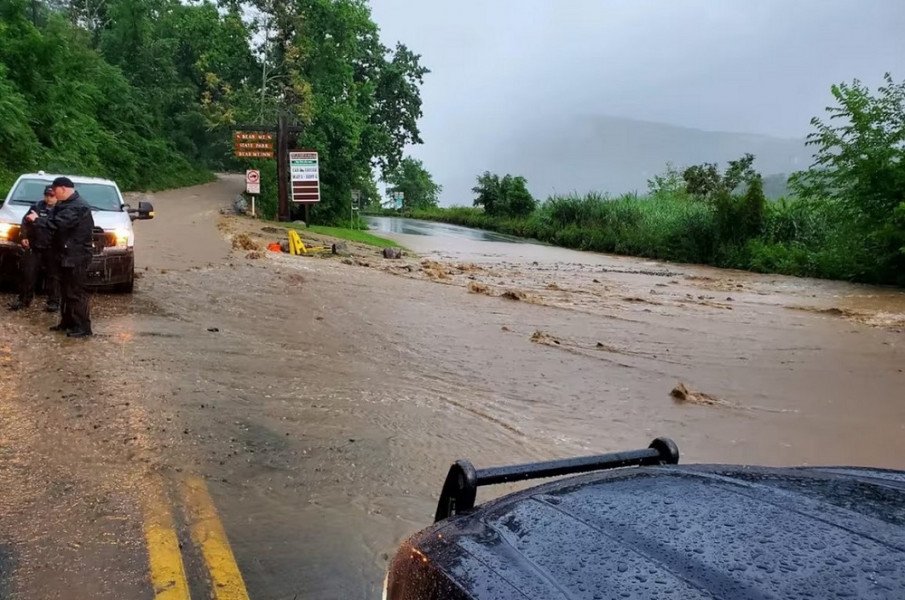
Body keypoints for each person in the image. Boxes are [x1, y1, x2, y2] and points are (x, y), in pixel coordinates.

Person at [27, 177, 94, 337]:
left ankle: (83, 328)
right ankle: (67, 322)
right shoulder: (65, 204)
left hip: (76, 256)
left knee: (75, 293)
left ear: (63, 188)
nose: (53, 194)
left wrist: (38, 220)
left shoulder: (78, 206)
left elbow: (58, 224)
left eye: (55, 191)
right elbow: (52, 222)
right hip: (63, 254)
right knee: (65, 291)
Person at [8, 186, 60, 312]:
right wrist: (24, 236)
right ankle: (23, 300)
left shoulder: (61, 210)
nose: (49, 198)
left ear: (57, 197)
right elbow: (26, 222)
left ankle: (53, 302)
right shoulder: (36, 206)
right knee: (28, 273)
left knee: (53, 276)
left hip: (52, 247)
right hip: (34, 245)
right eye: (47, 195)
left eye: (52, 196)